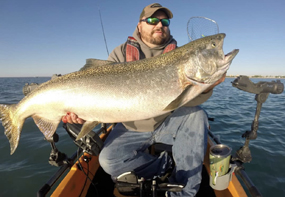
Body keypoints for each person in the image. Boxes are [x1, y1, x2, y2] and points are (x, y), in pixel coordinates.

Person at [62, 3, 226, 196]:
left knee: (197, 115)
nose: (159, 25)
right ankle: (165, 165)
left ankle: (184, 192)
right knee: (107, 160)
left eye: (164, 21)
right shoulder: (120, 54)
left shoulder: (181, 55)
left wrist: (207, 86)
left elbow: (187, 100)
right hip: (130, 126)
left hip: (168, 121)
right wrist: (83, 114)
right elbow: (101, 94)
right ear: (139, 25)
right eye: (152, 20)